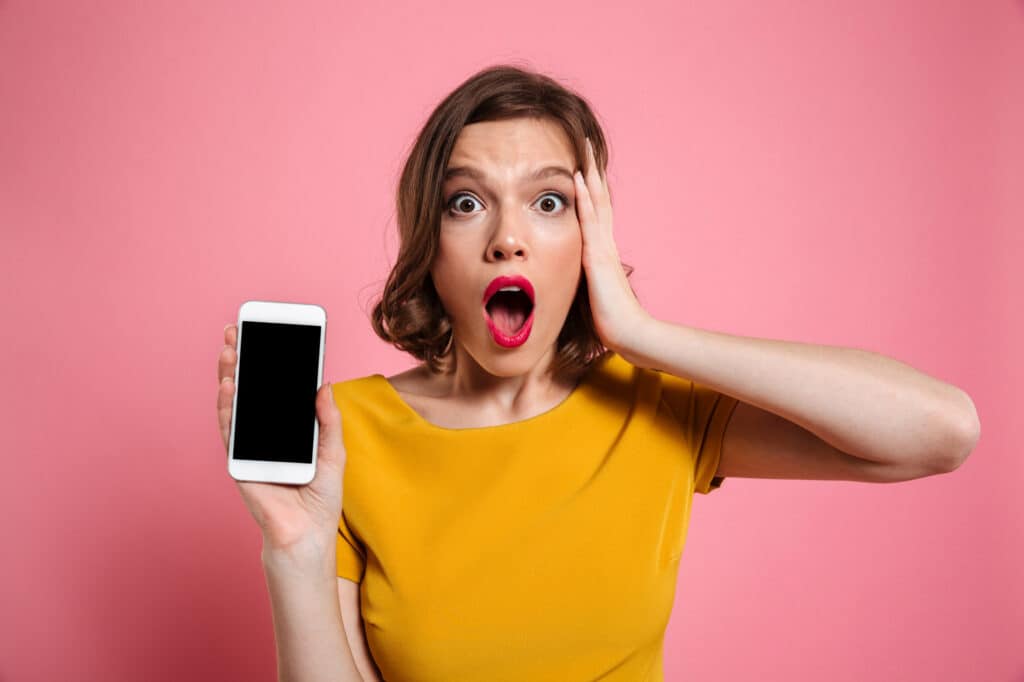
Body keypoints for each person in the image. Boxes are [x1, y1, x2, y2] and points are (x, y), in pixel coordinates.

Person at [216, 64, 980, 681]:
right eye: (467, 202)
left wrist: (643, 335)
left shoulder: (657, 409)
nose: (508, 237)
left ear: (591, 237)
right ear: (430, 241)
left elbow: (940, 432)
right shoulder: (345, 433)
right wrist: (295, 549)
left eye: (549, 201)